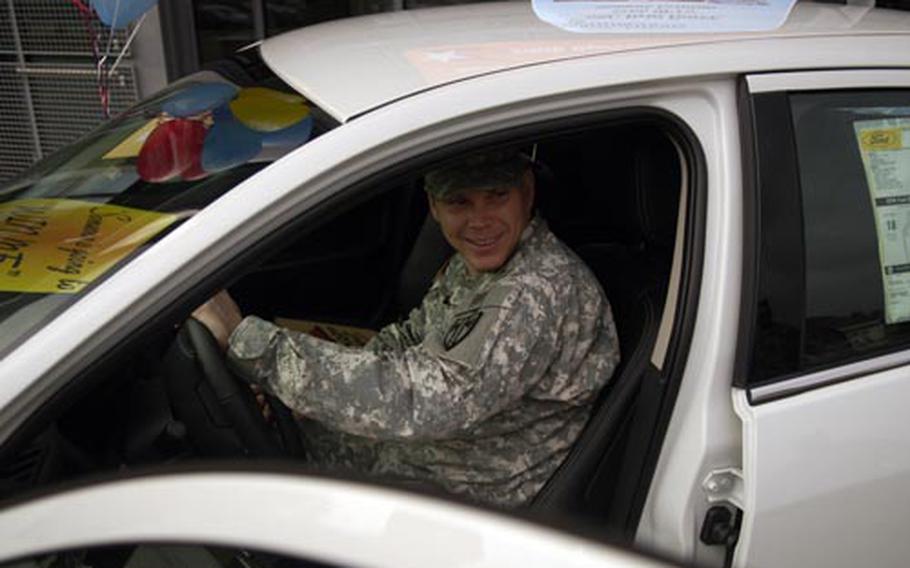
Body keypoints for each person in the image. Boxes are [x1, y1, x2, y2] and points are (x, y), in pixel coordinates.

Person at [193, 149, 620, 507]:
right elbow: (410, 338)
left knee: (256, 490)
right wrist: (303, 391)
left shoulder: (533, 292)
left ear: (527, 194)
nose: (481, 220)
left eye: (497, 196)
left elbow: (426, 401)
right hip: (440, 451)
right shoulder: (481, 266)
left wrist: (251, 344)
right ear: (433, 206)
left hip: (474, 496)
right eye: (459, 202)